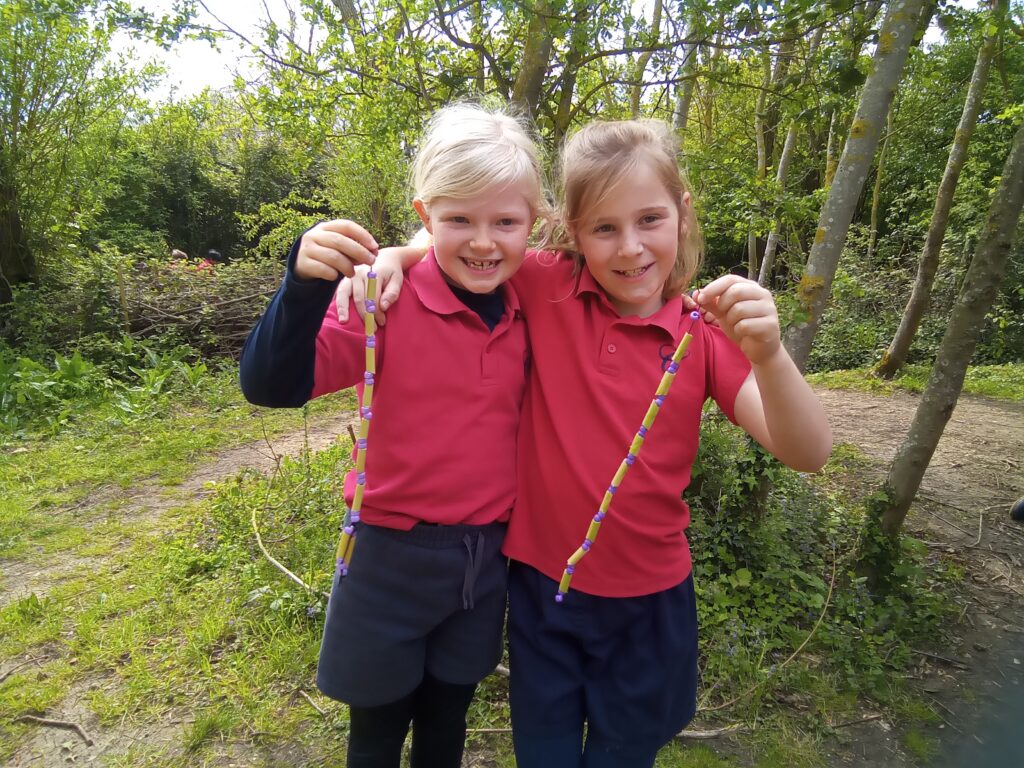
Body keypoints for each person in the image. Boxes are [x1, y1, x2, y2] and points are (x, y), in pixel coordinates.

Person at [339, 117, 832, 768]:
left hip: (651, 611)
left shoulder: (704, 335)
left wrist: (768, 355)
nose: (630, 249)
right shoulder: (545, 288)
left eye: (649, 219)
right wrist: (396, 257)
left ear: (682, 214)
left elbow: (809, 451)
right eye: (605, 228)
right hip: (544, 599)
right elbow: (468, 241)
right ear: (574, 233)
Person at [238, 102, 547, 768]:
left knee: (446, 721)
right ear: (426, 211)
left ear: (535, 222)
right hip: (386, 556)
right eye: (459, 219)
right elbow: (270, 385)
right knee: (376, 731)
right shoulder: (383, 303)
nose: (485, 242)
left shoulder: (536, 304)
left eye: (506, 222)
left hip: (482, 560)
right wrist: (300, 283)